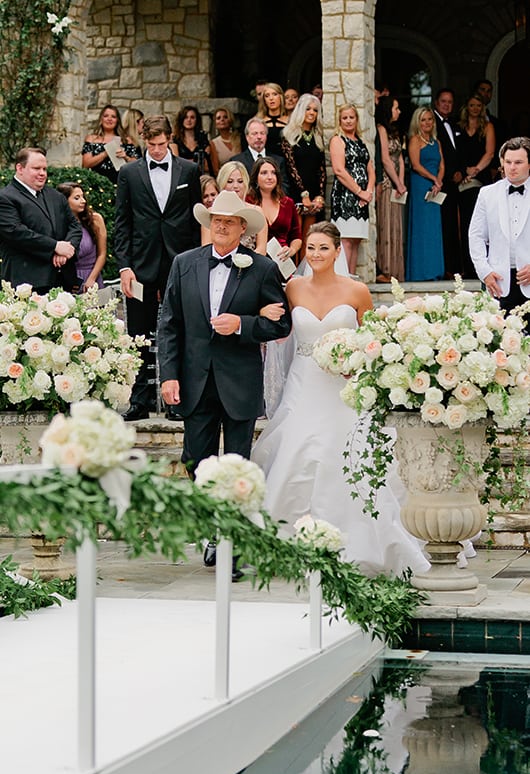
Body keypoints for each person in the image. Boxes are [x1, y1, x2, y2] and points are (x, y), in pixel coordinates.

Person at [252, 221, 430, 578]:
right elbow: (280, 327)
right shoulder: (293, 288)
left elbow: (372, 340)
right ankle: (288, 539)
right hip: (304, 383)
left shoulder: (357, 290)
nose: (316, 255)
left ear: (337, 252)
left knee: (348, 450)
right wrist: (261, 315)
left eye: (323, 248)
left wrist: (354, 363)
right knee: (296, 448)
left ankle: (363, 542)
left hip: (344, 387)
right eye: (311, 248)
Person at [157, 189, 291, 578]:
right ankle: (212, 532)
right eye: (215, 219)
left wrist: (243, 325)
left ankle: (231, 544)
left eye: (228, 221)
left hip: (239, 384)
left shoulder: (262, 268)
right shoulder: (184, 264)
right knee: (196, 464)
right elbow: (169, 324)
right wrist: (168, 375)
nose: (220, 225)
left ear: (241, 229)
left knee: (237, 468)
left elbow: (280, 324)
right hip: (194, 382)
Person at [114, 115, 202, 422]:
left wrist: (194, 262)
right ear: (143, 141)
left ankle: (179, 400)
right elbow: (122, 224)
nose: (157, 150)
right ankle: (140, 401)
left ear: (170, 138)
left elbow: (195, 221)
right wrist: (124, 267)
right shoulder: (129, 173)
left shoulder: (189, 170)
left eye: (162, 144)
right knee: (139, 333)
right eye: (151, 145)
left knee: (181, 329)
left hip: (181, 261)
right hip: (141, 264)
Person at [469, 136, 530, 332]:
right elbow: (476, 235)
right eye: (508, 162)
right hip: (498, 282)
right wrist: (484, 272)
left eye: (518, 162)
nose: (512, 167)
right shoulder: (487, 194)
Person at [0, 147, 82, 293]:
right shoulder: (6, 198)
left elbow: (74, 226)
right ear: (20, 168)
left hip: (63, 280)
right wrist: (55, 247)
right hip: (27, 284)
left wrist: (66, 250)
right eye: (36, 168)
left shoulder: (55, 195)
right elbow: (16, 233)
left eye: (44, 168)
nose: (42, 173)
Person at [329, 102, 375, 275]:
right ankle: (343, 281)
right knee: (346, 240)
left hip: (363, 198)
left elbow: (371, 169)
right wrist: (359, 192)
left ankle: (352, 281)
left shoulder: (361, 142)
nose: (348, 121)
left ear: (357, 119)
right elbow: (339, 170)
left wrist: (368, 192)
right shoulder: (337, 140)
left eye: (351, 117)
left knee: (356, 241)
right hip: (345, 196)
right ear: (339, 121)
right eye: (344, 118)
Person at [281, 93, 326, 260]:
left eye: (315, 110)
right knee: (296, 238)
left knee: (310, 240)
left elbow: (322, 169)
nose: (312, 113)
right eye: (308, 109)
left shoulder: (318, 137)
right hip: (296, 193)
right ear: (301, 110)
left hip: (314, 194)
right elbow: (291, 168)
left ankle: (308, 276)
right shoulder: (289, 135)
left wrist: (320, 195)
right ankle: (295, 278)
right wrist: (303, 194)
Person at [456, 94, 495, 277]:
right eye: (472, 105)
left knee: (480, 223)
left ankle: (482, 266)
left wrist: (475, 170)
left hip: (481, 178)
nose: (475, 108)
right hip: (463, 180)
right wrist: (463, 172)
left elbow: (490, 153)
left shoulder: (487, 127)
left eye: (478, 105)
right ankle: (467, 267)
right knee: (465, 223)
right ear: (467, 107)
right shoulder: (459, 128)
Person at [406, 106, 445, 281]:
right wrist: (433, 179)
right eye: (423, 120)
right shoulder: (415, 140)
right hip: (421, 185)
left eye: (430, 119)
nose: (427, 123)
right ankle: (420, 272)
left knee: (433, 229)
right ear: (417, 122)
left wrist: (439, 180)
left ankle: (434, 270)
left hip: (435, 187)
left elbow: (442, 164)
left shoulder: (436, 142)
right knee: (421, 228)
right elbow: (416, 165)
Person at [202, 162, 267, 254]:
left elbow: (262, 249)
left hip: (251, 265)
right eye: (230, 181)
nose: (235, 186)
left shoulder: (257, 211)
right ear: (222, 183)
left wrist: (244, 263)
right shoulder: (211, 212)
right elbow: (206, 247)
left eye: (240, 181)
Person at [375, 95, 406, 282]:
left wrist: (401, 183)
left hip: (397, 184)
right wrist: (395, 182)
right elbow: (386, 159)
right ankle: (385, 269)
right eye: (396, 107)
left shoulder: (395, 131)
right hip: (387, 182)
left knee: (396, 225)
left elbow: (400, 158)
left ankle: (396, 270)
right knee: (386, 225)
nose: (399, 111)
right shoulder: (381, 129)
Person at [248, 157, 302, 263]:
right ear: (255, 178)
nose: (270, 177)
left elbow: (297, 237)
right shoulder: (248, 202)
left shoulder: (288, 203)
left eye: (273, 173)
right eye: (264, 173)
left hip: (282, 261)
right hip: (256, 261)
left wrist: (291, 250)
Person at [433, 88, 463, 277]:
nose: (447, 105)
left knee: (453, 224)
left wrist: (460, 170)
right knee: (443, 225)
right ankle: (445, 268)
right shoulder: (432, 122)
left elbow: (457, 151)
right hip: (439, 182)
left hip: (454, 182)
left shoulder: (453, 124)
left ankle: (453, 267)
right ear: (436, 102)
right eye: (443, 101)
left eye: (450, 102)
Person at [56, 182, 106, 291]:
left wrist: (92, 279)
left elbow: (102, 254)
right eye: (77, 198)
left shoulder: (95, 220)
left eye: (83, 197)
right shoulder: (56, 224)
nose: (83, 201)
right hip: (67, 281)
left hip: (92, 277)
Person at [230, 117, 291, 196]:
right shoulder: (236, 161)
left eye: (262, 133)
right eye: (255, 133)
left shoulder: (278, 161)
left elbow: (284, 187)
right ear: (247, 137)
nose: (259, 137)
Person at [82, 104, 142, 184]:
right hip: (97, 183)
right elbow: (86, 164)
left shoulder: (126, 140)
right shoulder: (92, 139)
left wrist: (126, 157)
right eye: (106, 116)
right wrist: (106, 153)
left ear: (117, 120)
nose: (109, 119)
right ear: (101, 119)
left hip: (121, 182)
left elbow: (137, 165)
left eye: (113, 117)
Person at [171, 105, 213, 175]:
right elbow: (177, 164)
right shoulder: (175, 140)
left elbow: (205, 166)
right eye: (186, 117)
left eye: (192, 117)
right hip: (182, 176)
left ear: (197, 120)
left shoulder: (203, 139)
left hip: (200, 176)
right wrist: (196, 162)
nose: (189, 120)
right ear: (181, 120)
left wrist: (186, 162)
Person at [257, 82, 289, 157]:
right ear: (264, 100)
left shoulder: (291, 121)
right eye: (267, 96)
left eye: (274, 94)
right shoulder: (258, 122)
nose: (271, 98)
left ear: (281, 97)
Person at [209, 107, 241, 174]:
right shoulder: (213, 143)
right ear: (215, 123)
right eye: (218, 118)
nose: (222, 120)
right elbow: (215, 169)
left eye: (225, 117)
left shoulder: (240, 139)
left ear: (230, 120)